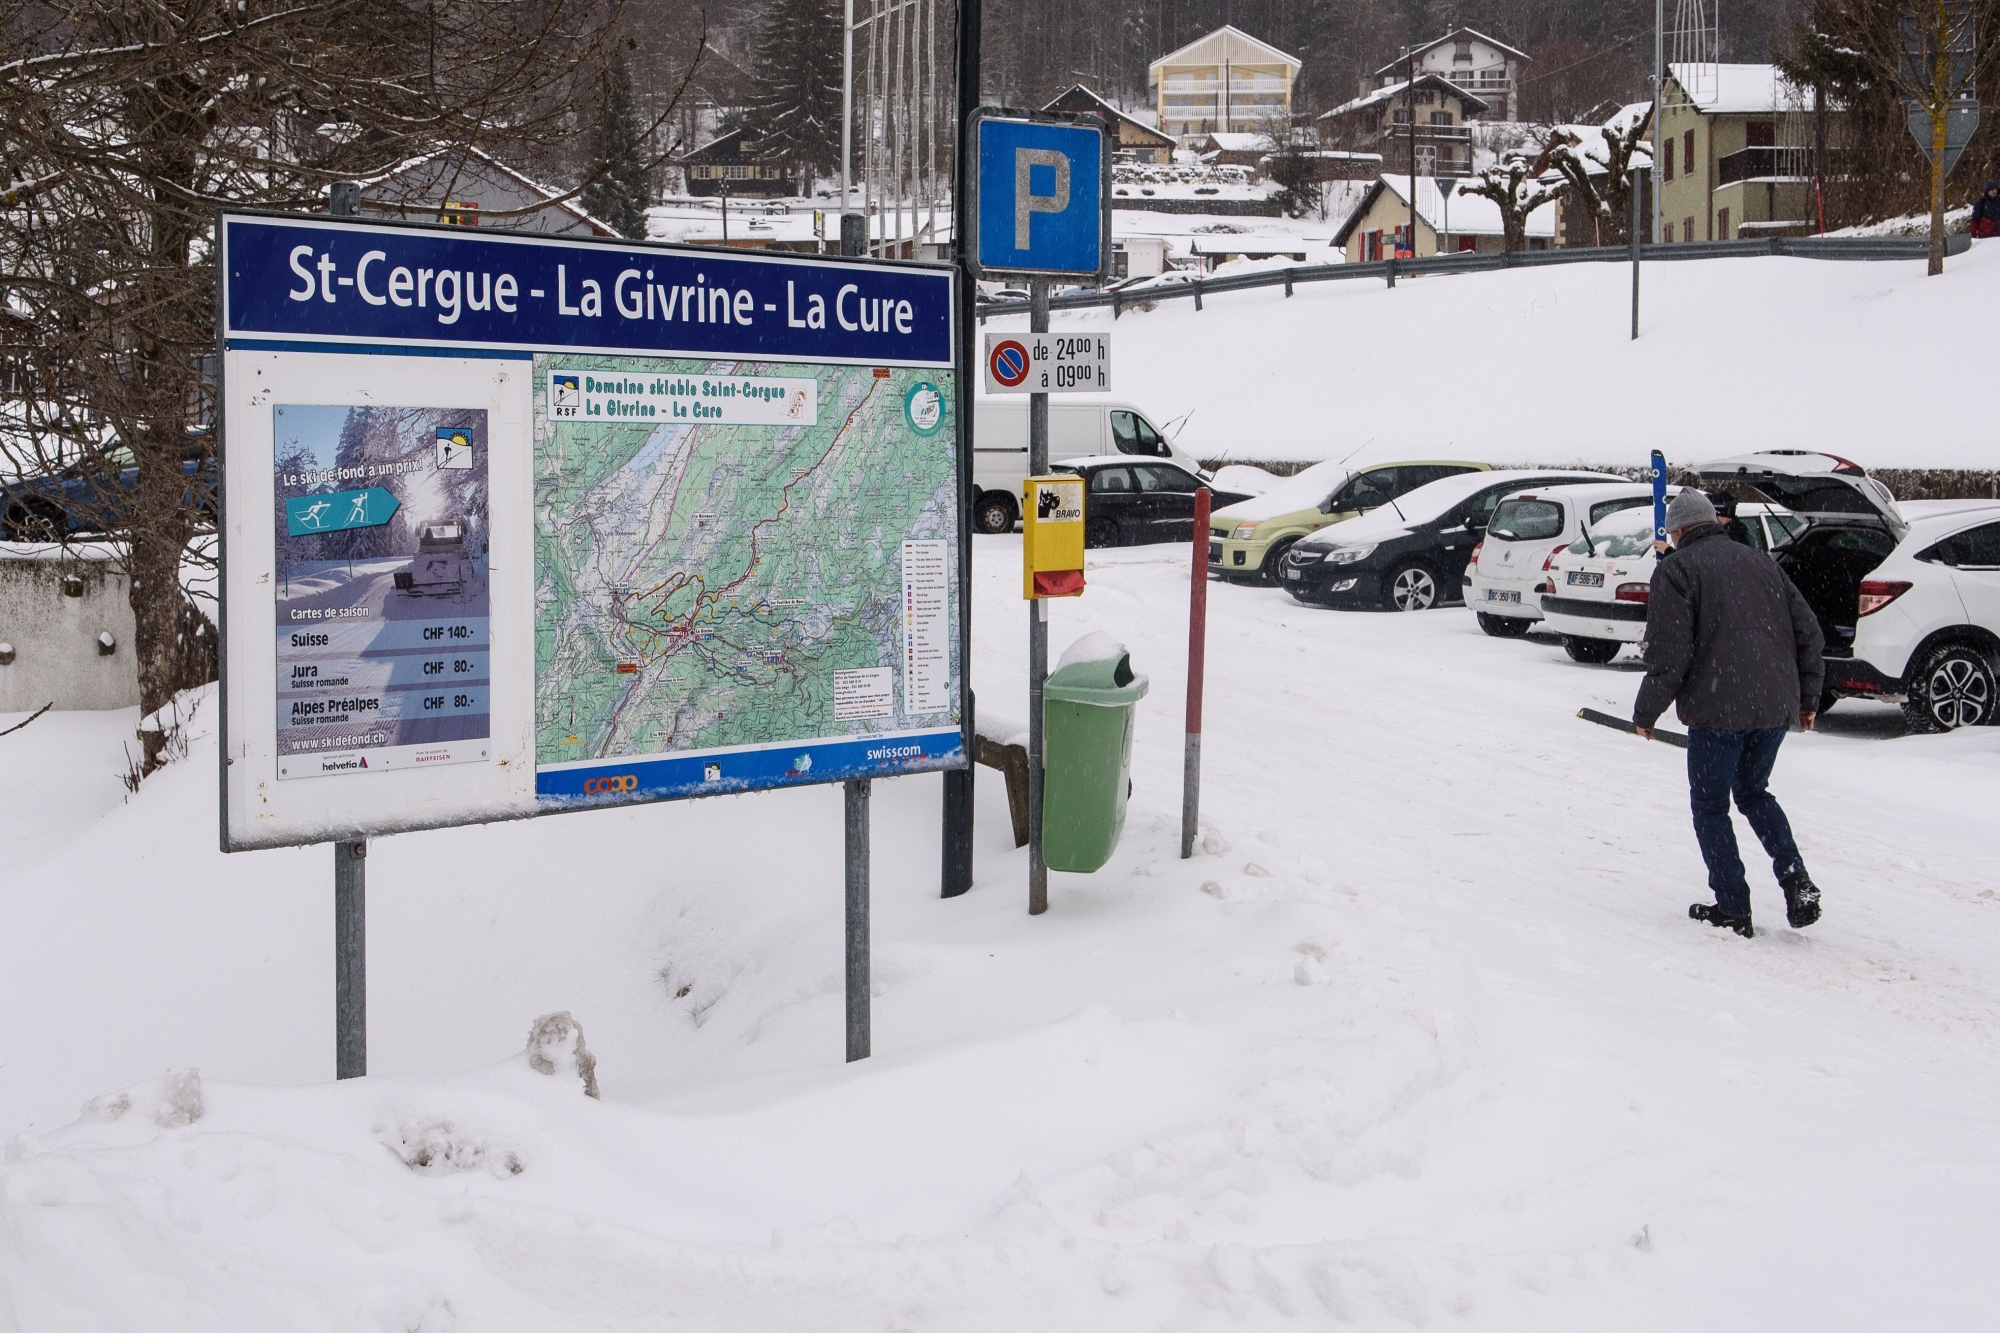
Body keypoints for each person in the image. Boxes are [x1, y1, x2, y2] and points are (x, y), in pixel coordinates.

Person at [1634, 490, 1825, 938]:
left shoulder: (1677, 569)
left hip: (1718, 708)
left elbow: (1670, 652)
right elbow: (1809, 633)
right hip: (1774, 703)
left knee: (1711, 805)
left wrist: (1647, 711)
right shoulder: (1763, 563)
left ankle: (1733, 907)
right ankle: (1795, 876)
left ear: (1678, 531)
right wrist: (1808, 700)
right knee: (1755, 793)